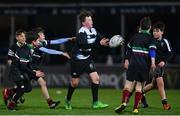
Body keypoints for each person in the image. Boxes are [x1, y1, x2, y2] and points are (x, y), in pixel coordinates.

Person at [64, 10, 109, 110]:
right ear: (84, 23)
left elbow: (102, 40)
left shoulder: (94, 30)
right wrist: (99, 44)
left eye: (91, 19)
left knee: (96, 78)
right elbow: (85, 47)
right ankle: (67, 100)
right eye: (89, 19)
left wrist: (112, 42)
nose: (91, 21)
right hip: (77, 61)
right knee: (75, 83)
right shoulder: (81, 33)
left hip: (87, 59)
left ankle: (95, 103)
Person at [115, 17, 156, 114]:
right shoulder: (151, 38)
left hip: (133, 64)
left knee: (127, 85)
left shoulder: (135, 36)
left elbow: (128, 49)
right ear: (150, 27)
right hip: (143, 66)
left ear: (140, 27)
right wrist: (153, 62)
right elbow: (152, 51)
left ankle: (124, 102)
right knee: (139, 88)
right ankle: (135, 108)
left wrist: (126, 60)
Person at [6, 29, 45, 111]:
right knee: (22, 88)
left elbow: (27, 64)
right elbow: (20, 64)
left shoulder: (30, 49)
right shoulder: (25, 49)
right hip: (16, 70)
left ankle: (10, 93)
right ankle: (11, 105)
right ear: (33, 42)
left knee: (28, 88)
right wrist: (34, 73)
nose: (40, 43)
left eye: (24, 36)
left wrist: (34, 71)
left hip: (21, 69)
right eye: (38, 41)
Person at [141, 22, 172, 110]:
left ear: (162, 32)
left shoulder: (165, 41)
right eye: (154, 31)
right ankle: (165, 104)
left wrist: (164, 61)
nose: (154, 33)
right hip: (153, 65)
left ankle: (140, 93)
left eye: (157, 31)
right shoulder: (151, 41)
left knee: (153, 85)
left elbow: (170, 53)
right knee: (160, 83)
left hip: (160, 65)